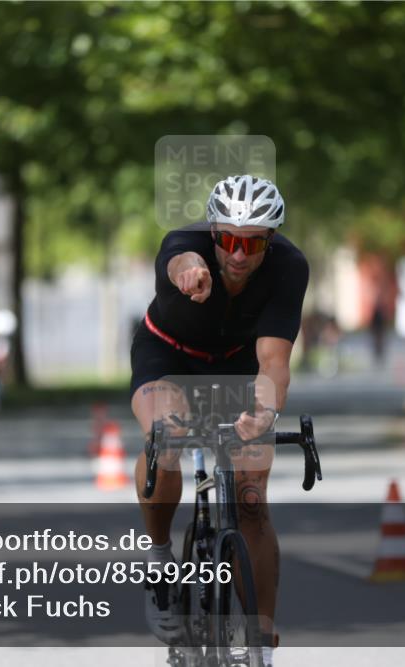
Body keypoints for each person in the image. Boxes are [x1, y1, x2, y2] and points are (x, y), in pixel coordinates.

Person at [131, 175, 308, 666]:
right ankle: (161, 559)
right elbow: (177, 259)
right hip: (168, 356)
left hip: (235, 364)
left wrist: (265, 412)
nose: (238, 254)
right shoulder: (187, 247)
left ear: (270, 241)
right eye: (228, 239)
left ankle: (262, 643)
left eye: (252, 243)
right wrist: (188, 270)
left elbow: (273, 360)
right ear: (213, 233)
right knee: (163, 438)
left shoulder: (289, 267)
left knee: (251, 497)